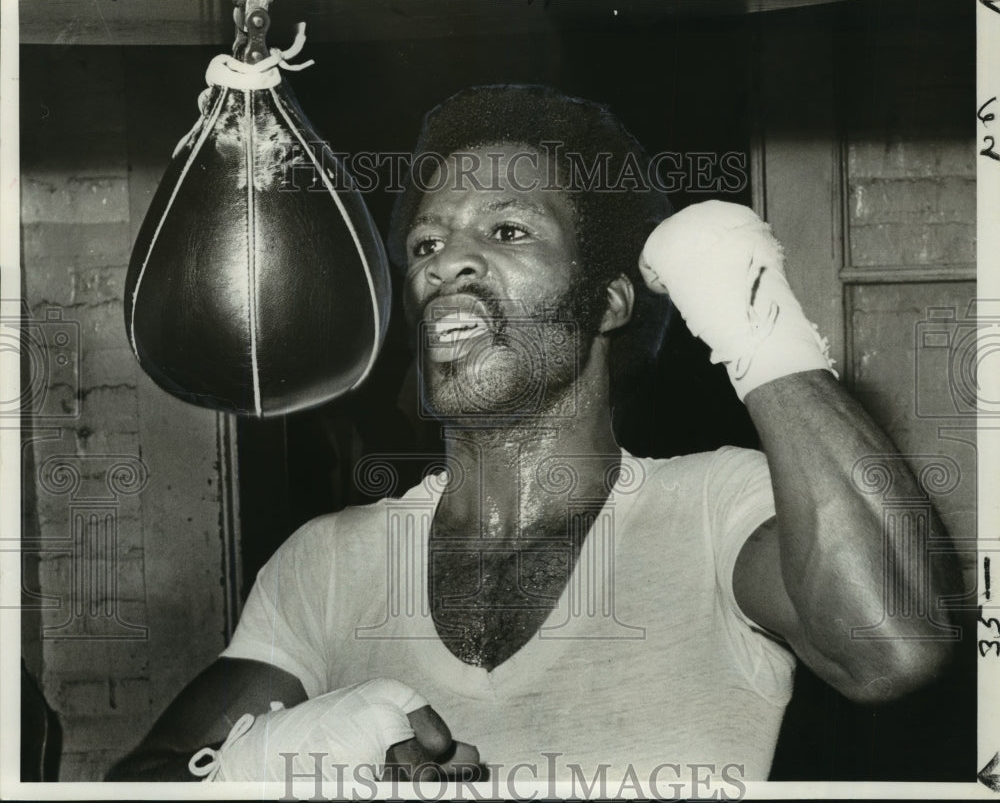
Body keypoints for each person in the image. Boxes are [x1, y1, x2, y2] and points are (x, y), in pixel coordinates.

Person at [107, 85, 961, 788]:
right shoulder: (328, 563)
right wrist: (281, 763)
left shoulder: (714, 508)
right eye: (427, 243)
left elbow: (894, 647)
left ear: (609, 301)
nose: (445, 262)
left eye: (506, 231)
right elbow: (140, 777)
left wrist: (762, 329)